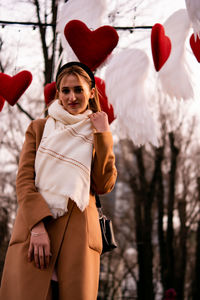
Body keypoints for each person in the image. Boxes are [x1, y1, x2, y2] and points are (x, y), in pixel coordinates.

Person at [0, 61, 117, 300]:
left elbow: (103, 185)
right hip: (36, 236)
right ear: (58, 94)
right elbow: (24, 181)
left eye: (78, 90)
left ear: (91, 93)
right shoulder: (39, 129)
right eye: (65, 90)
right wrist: (37, 227)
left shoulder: (97, 133)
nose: (72, 97)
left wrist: (103, 136)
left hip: (79, 241)